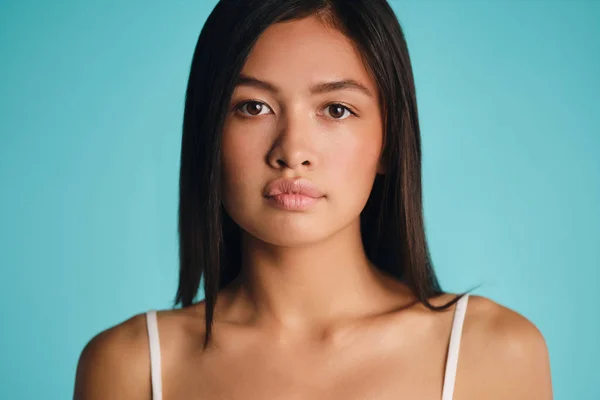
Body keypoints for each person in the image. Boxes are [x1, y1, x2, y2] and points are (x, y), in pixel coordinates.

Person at [73, 0, 552, 399]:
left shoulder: (492, 354)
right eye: (253, 107)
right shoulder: (130, 368)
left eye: (336, 110)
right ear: (209, 135)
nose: (292, 151)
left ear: (388, 142)